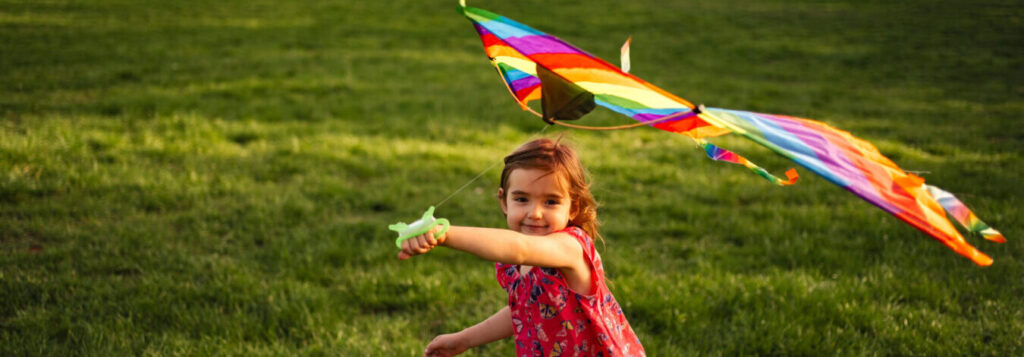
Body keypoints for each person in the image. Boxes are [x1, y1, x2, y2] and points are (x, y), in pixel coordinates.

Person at [398, 138, 645, 357]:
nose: (534, 213)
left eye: (551, 201)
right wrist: (463, 340)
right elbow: (525, 312)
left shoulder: (570, 247)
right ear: (503, 201)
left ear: (573, 208)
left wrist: (444, 234)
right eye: (521, 199)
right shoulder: (516, 263)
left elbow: (521, 247)